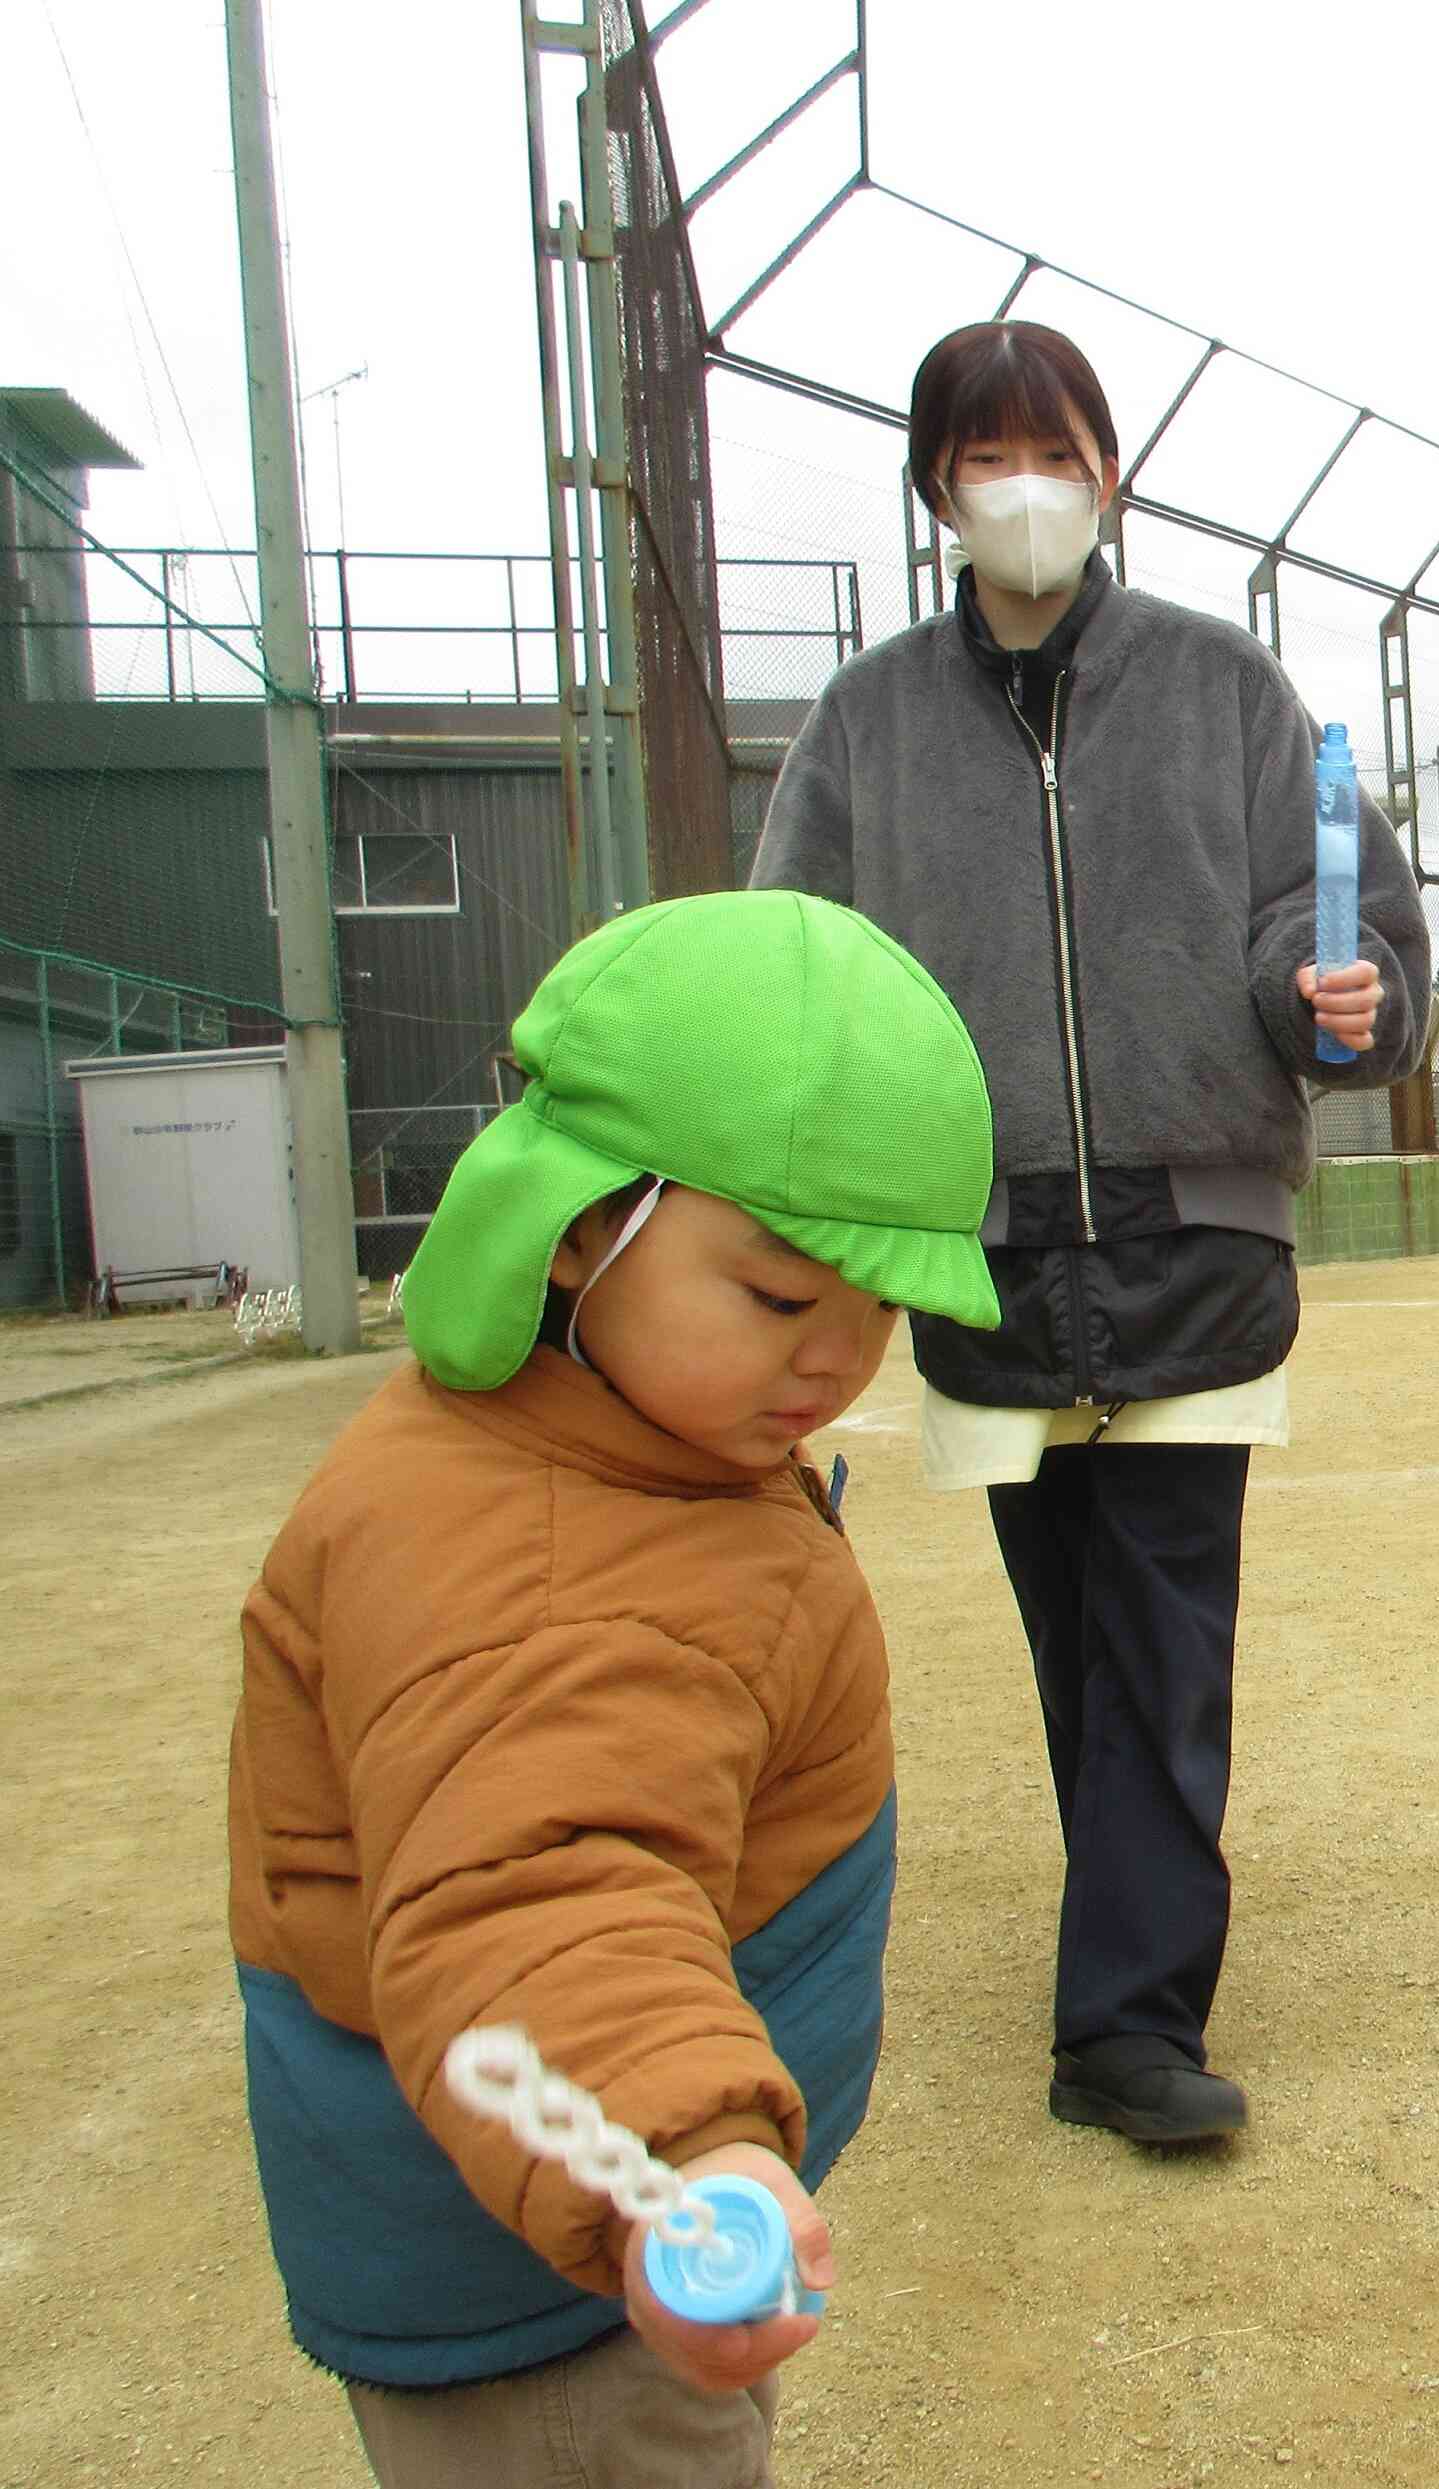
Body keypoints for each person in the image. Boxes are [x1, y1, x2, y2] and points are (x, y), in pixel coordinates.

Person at [750, 318, 1430, 2148]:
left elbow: (1342, 932)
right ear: (936, 489)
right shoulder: (863, 726)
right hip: (979, 1252)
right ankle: (1132, 1940)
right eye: (986, 458)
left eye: (1055, 451)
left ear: (1110, 472)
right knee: (1076, 1642)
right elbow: (801, 966)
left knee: (1163, 1633)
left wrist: (1341, 998)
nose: (1026, 488)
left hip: (1194, 1231)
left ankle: (1124, 2025)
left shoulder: (1227, 689)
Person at [227, 891, 1001, 2486]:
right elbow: (539, 1894)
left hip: (563, 2239)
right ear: (582, 1224)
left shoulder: (608, 1431)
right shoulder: (544, 1574)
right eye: (781, 1296)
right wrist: (677, 2154)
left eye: (883, 1304)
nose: (838, 1357)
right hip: (564, 2286)